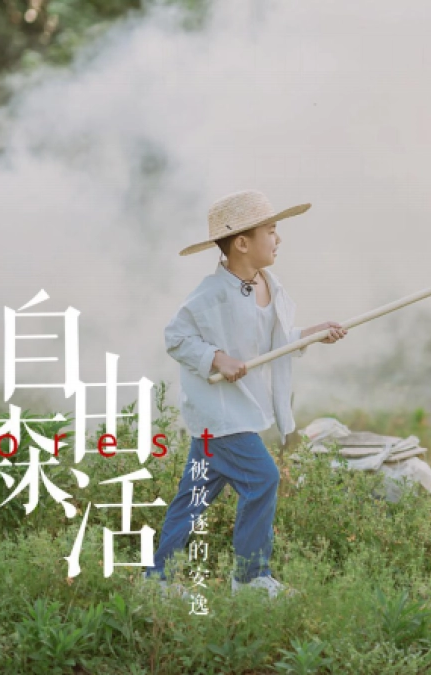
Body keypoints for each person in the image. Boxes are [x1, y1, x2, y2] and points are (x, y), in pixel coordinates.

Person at [144, 189, 347, 599]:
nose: (278, 239)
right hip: (221, 414)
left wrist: (311, 334)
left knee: (193, 498)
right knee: (263, 477)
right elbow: (176, 338)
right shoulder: (210, 294)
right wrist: (217, 358)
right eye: (271, 231)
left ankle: (156, 582)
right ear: (242, 243)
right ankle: (252, 579)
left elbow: (272, 342)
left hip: (232, 414)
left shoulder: (266, 284)